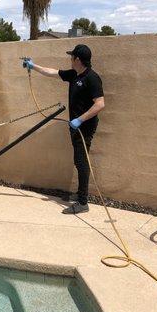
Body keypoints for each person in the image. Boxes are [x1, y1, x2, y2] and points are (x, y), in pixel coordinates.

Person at [22, 44, 105, 214]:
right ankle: (81, 194)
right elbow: (53, 72)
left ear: (78, 60)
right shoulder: (74, 74)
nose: (70, 59)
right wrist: (33, 66)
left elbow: (100, 104)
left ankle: (83, 202)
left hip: (84, 128)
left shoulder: (92, 78)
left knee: (82, 162)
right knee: (78, 160)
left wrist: (80, 120)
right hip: (75, 127)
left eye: (72, 57)